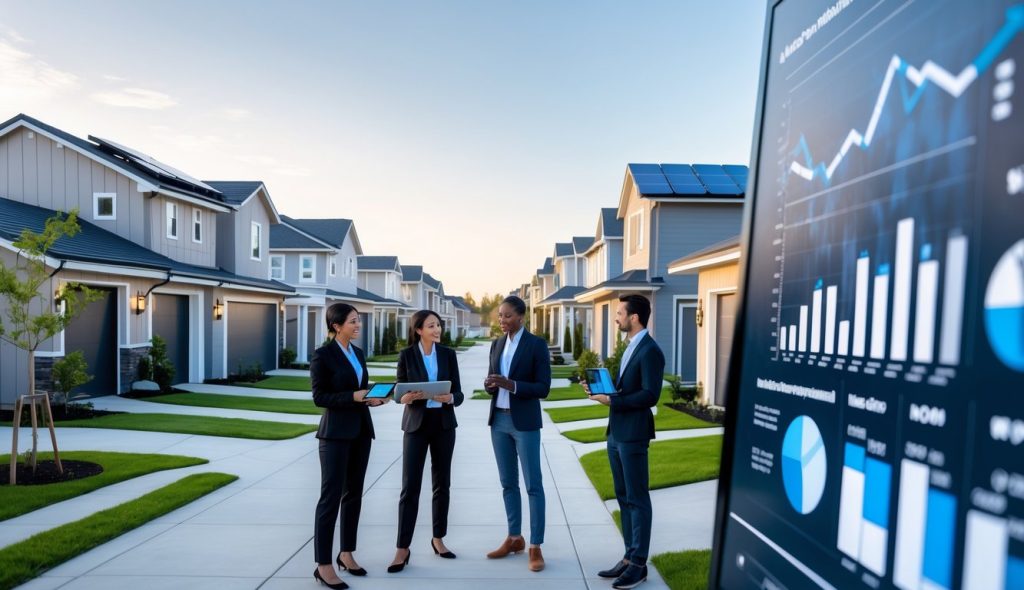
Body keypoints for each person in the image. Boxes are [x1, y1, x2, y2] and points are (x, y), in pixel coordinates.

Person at [583, 294, 664, 590]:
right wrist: (601, 392)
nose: (615, 317)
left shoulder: (650, 350)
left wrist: (612, 401)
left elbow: (650, 395)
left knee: (637, 498)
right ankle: (629, 557)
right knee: (623, 496)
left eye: (619, 313)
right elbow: (624, 390)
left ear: (635, 318)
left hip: (633, 434)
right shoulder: (630, 347)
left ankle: (639, 564)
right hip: (616, 433)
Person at [311, 303, 389, 589]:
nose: (358, 326)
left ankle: (346, 553)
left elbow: (360, 391)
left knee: (354, 495)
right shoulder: (323, 356)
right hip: (334, 435)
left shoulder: (357, 353)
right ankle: (323, 565)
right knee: (330, 498)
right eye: (353, 322)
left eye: (358, 321)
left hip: (360, 431)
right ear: (336, 326)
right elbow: (320, 397)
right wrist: (353, 397)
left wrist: (372, 399)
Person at [388, 309, 465, 573]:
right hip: (416, 425)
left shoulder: (448, 354)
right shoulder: (406, 355)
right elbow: (399, 393)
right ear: (419, 329)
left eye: (439, 325)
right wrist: (406, 397)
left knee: (442, 484)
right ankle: (402, 548)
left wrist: (451, 398)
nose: (437, 329)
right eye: (431, 325)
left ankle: (438, 539)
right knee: (410, 487)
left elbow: (459, 392)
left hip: (443, 424)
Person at [483, 295, 551, 572]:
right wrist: (491, 384)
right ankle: (514, 538)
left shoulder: (536, 345)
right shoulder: (497, 344)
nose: (502, 320)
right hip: (498, 421)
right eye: (500, 316)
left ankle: (535, 545)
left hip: (524, 423)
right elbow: (492, 381)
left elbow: (543, 388)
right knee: (508, 483)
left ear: (521, 317)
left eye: (507, 315)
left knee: (533, 484)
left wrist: (511, 385)